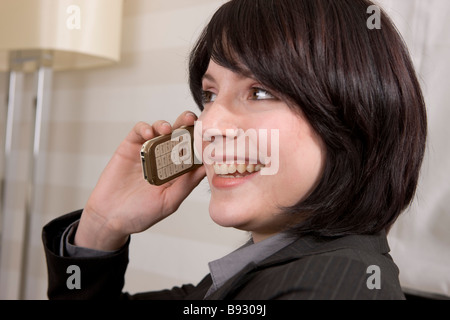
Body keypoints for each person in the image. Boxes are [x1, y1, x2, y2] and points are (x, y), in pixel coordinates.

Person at [42, 0, 427, 300]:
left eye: (259, 92)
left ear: (354, 117)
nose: (209, 126)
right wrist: (102, 224)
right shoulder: (266, 267)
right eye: (209, 95)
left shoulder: (336, 287)